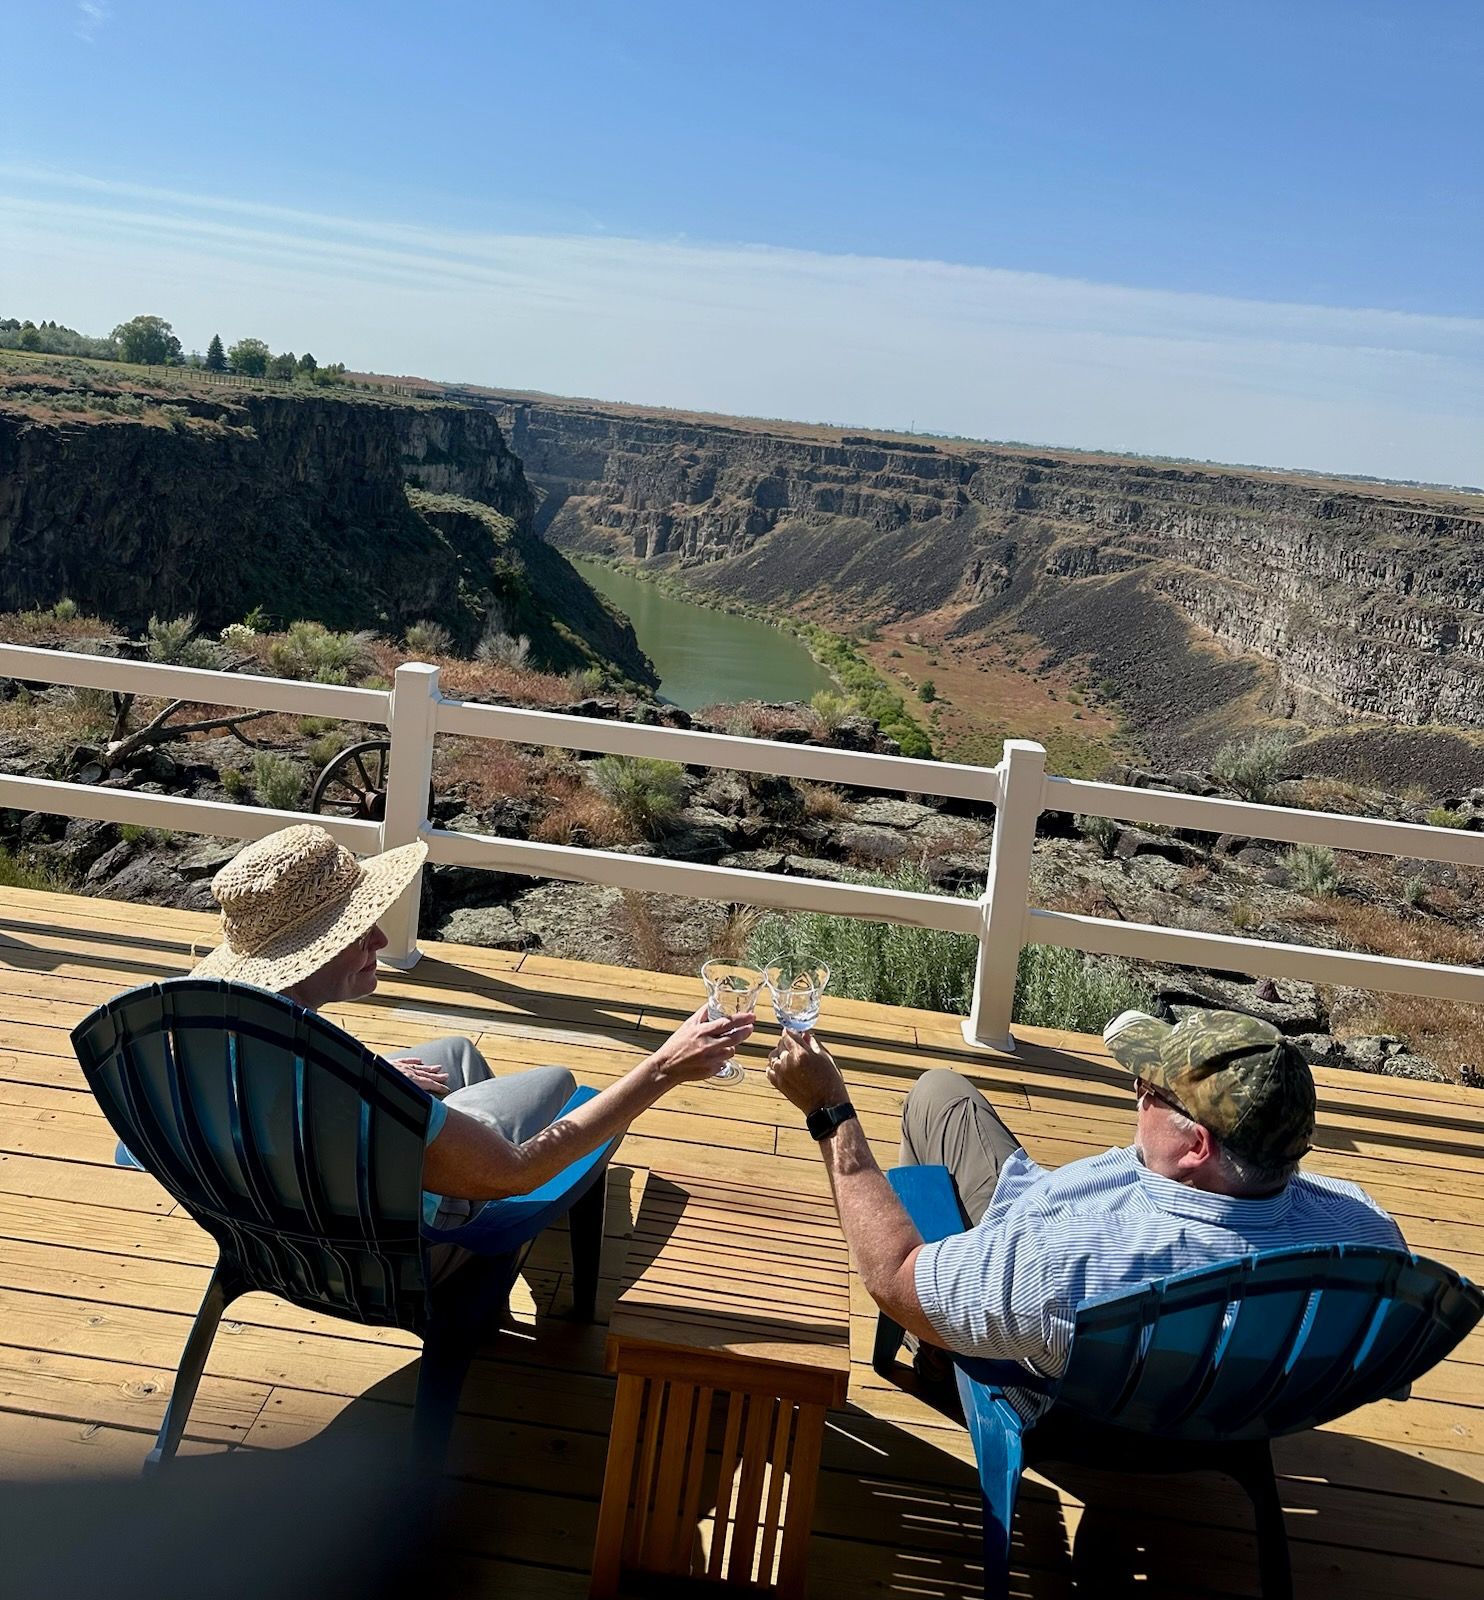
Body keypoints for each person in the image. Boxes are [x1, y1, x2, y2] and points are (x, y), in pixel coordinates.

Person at [766, 1006, 1404, 1415]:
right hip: (1223, 1404)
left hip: (1061, 1391)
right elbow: (1389, 1375)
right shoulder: (1368, 1236)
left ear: (1197, 1145)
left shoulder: (1060, 1263)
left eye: (1149, 1089)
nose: (1136, 1092)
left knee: (937, 1093)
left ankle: (937, 1352)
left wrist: (830, 1113)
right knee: (948, 1101)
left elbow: (894, 1276)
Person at [192, 825, 753, 1235]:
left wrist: (373, 1073)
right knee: (558, 1081)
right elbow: (519, 1170)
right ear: (307, 954)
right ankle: (478, 1226)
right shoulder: (349, 1085)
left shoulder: (218, 1031)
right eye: (360, 932)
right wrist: (662, 1068)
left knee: (458, 1055)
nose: (381, 942)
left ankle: (469, 1172)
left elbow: (300, 1094)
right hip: (390, 1231)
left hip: (292, 1192)